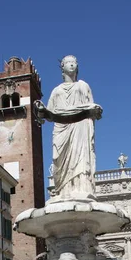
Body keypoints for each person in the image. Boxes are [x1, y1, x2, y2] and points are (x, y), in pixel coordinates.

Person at [34, 55, 102, 201]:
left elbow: (90, 107)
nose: (72, 65)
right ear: (62, 67)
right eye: (68, 62)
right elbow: (50, 114)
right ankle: (63, 191)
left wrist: (93, 111)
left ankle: (81, 187)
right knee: (59, 161)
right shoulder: (57, 91)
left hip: (80, 126)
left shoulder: (83, 86)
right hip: (62, 129)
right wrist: (41, 109)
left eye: (74, 62)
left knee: (80, 157)